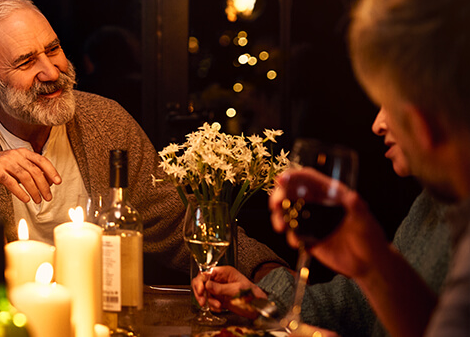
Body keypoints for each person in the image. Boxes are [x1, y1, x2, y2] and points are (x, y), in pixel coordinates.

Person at [0, 0, 286, 282]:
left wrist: (262, 270)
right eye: (25, 62)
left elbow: (172, 222)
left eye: (53, 49)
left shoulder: (106, 119)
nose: (51, 71)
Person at [264, 0, 470, 336]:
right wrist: (373, 266)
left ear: (422, 124)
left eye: (389, 105)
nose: (376, 124)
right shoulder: (447, 206)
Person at [193, 106, 452, 336]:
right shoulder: (433, 201)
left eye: (391, 102)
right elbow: (358, 306)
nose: (377, 124)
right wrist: (258, 301)